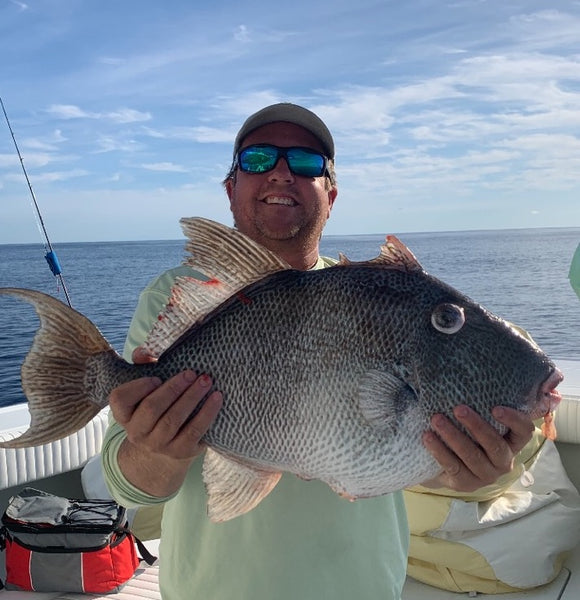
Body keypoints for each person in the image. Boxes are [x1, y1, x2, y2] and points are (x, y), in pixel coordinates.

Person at [101, 103, 538, 600]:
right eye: (259, 158)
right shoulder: (175, 297)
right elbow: (129, 485)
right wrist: (157, 448)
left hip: (363, 586)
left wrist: (473, 470)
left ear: (330, 196)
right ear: (231, 189)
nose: (282, 172)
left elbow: (422, 461)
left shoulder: (378, 299)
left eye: (307, 162)